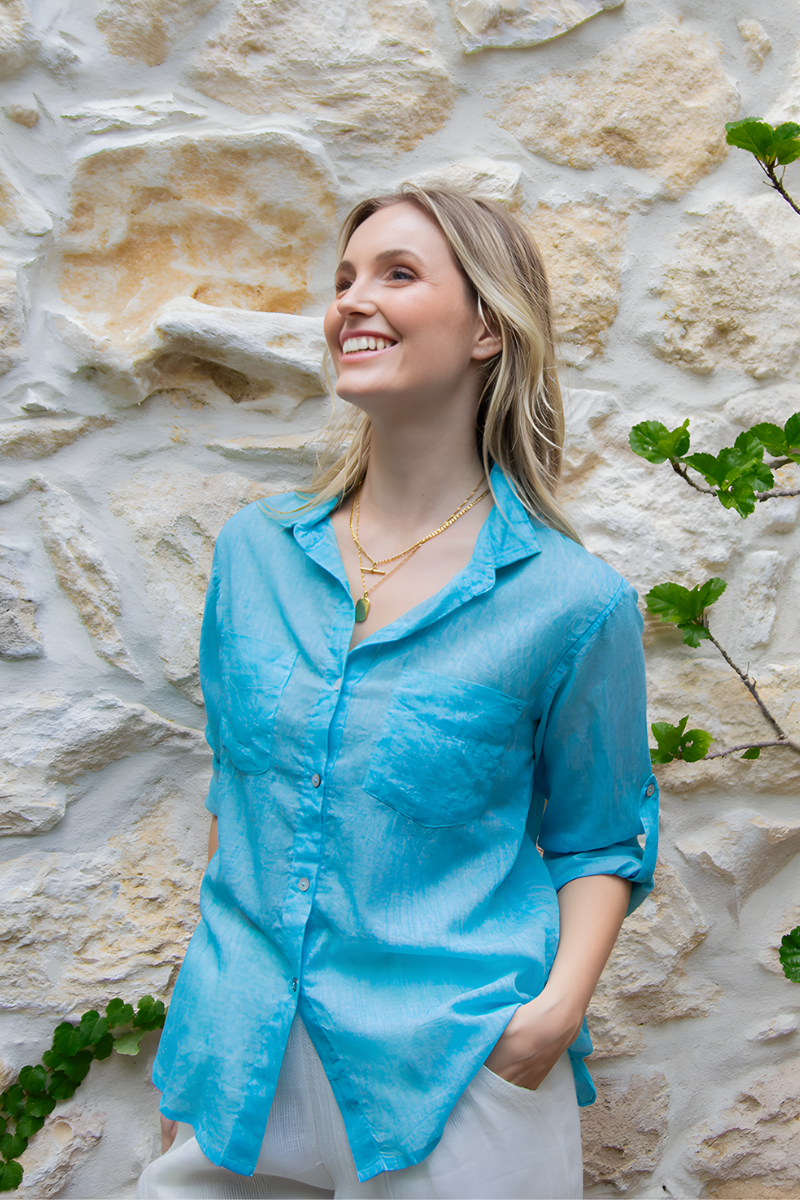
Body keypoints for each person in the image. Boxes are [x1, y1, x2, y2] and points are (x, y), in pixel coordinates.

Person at [137, 186, 658, 1200]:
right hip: (241, 1056)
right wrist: (200, 1025)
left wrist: (549, 1019)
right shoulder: (254, 554)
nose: (351, 301)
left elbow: (600, 837)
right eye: (344, 279)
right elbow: (237, 796)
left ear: (487, 329)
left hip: (452, 1071)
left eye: (398, 274)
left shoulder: (570, 600)